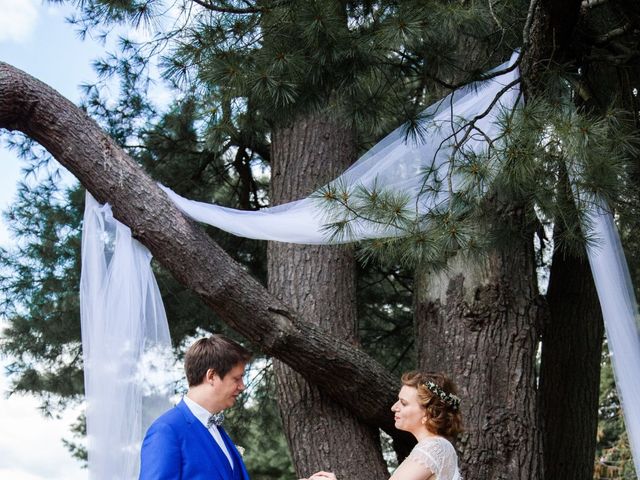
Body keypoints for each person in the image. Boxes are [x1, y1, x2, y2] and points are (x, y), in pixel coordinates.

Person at [307, 372, 463, 480]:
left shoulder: (433, 448)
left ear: (428, 413)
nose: (394, 407)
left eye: (403, 403)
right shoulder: (439, 447)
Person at [139, 334, 252, 480]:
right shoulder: (167, 431)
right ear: (211, 376)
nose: (242, 386)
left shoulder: (216, 428)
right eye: (236, 378)